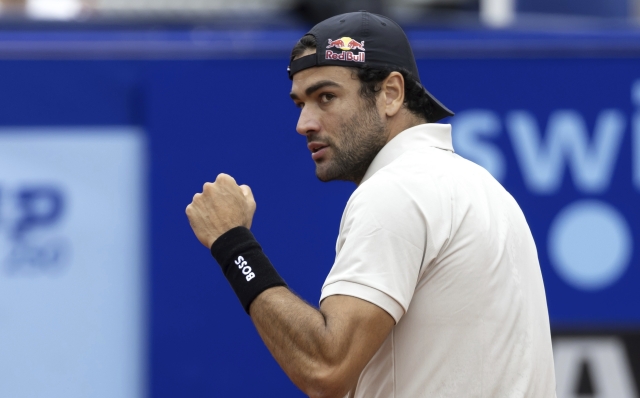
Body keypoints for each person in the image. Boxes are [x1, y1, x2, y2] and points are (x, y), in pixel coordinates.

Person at [186, 11, 556, 398]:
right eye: (300, 104)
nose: (304, 123)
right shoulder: (482, 186)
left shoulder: (397, 190)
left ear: (391, 93)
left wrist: (233, 243)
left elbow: (325, 367)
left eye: (325, 97)